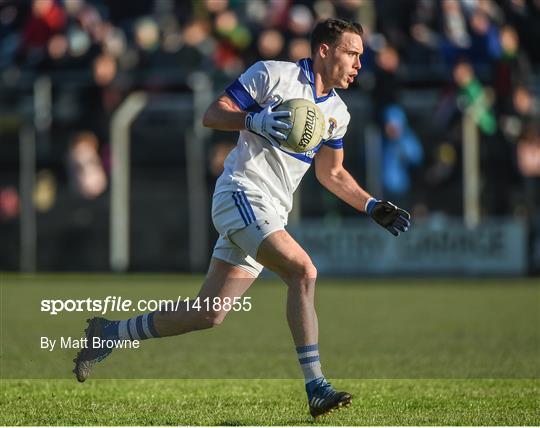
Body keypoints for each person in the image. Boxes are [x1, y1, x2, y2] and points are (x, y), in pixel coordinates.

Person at [73, 18, 411, 418]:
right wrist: (254, 119)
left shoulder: (338, 112)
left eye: (361, 57)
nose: (358, 64)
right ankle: (316, 385)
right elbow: (213, 114)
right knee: (303, 271)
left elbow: (331, 173)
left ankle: (109, 333)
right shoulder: (273, 74)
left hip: (270, 211)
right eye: (352, 53)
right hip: (241, 193)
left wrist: (371, 205)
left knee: (208, 313)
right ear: (325, 50)